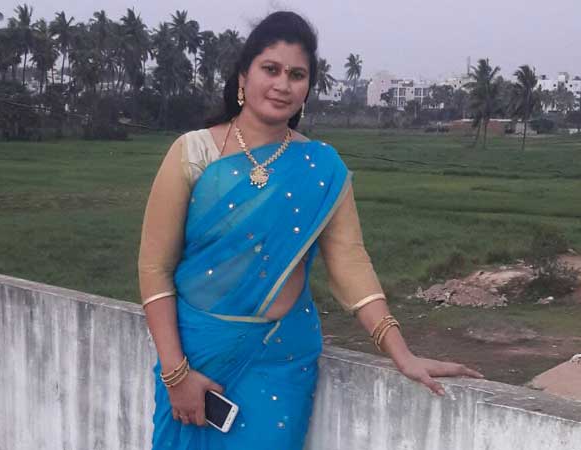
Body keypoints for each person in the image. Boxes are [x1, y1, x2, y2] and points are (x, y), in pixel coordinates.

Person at [137, 10, 484, 450]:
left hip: (280, 360)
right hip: (195, 358)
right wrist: (176, 374)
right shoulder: (193, 152)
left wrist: (402, 353)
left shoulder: (322, 167)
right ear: (243, 76)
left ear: (307, 90)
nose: (283, 84)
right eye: (271, 69)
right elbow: (154, 269)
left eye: (297, 75)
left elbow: (350, 262)